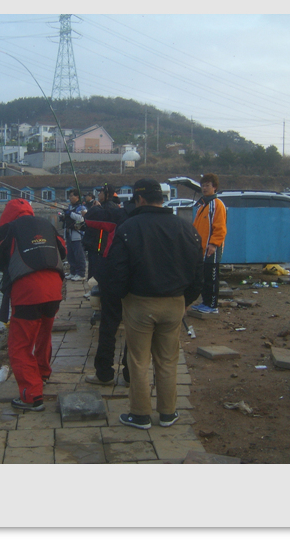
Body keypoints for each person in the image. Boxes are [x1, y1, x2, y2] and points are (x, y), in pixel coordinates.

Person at [105, 178, 203, 429]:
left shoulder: (128, 228)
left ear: (139, 199)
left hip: (139, 304)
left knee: (139, 361)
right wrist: (185, 301)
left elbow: (116, 271)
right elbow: (198, 272)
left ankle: (140, 415)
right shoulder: (186, 228)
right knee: (168, 360)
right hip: (174, 304)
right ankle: (168, 413)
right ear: (162, 198)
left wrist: (122, 297)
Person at [0, 198, 67, 411]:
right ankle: (42, 374)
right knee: (43, 334)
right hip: (54, 290)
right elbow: (63, 250)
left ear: (7, 214)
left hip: (27, 293)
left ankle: (31, 396)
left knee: (20, 346)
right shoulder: (46, 224)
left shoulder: (8, 229)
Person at [82, 184, 130, 387]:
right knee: (134, 329)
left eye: (101, 192)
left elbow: (91, 219)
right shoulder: (166, 223)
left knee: (109, 325)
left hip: (113, 276)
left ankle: (104, 373)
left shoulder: (113, 213)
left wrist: (93, 207)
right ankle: (131, 375)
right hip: (138, 281)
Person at [190, 173, 227, 314]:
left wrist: (214, 244)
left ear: (214, 187)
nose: (204, 188)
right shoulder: (202, 206)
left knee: (211, 277)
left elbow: (220, 227)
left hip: (211, 249)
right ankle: (205, 302)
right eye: (203, 185)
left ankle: (212, 306)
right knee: (203, 277)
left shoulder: (217, 205)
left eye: (207, 185)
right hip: (201, 248)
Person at [61, 189, 86, 281]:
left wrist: (70, 213)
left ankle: (81, 274)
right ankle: (73, 272)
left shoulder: (81, 207)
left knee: (79, 255)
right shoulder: (70, 207)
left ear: (77, 197)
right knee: (70, 255)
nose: (70, 198)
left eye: (72, 196)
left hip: (77, 236)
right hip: (69, 234)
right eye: (70, 196)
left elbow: (82, 218)